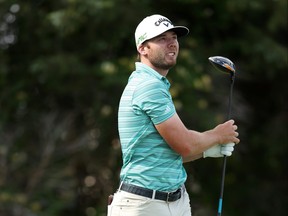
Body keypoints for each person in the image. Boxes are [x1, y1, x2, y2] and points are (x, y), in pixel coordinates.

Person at [107, 14, 240, 216]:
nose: (171, 44)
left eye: (174, 38)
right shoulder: (149, 86)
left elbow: (165, 154)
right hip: (144, 205)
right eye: (162, 39)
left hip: (175, 202)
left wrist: (206, 150)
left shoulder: (153, 84)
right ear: (142, 49)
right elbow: (184, 144)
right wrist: (217, 135)